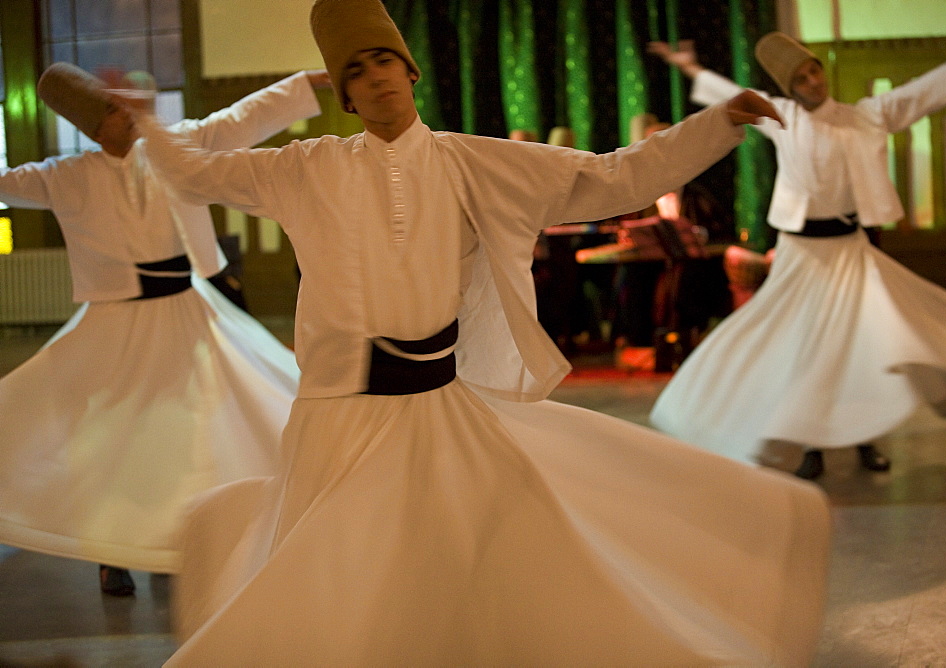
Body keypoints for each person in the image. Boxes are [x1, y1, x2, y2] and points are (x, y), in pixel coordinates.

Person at [129, 1, 830, 664]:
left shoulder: (475, 163)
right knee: (332, 567)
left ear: (412, 71)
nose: (375, 79)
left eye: (383, 62)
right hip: (335, 413)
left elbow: (614, 177)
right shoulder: (305, 169)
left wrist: (715, 125)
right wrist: (271, 100)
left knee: (476, 557)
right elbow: (187, 170)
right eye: (356, 72)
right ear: (344, 96)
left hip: (436, 407)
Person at [0, 62, 328, 595]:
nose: (123, 114)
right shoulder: (63, 175)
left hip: (185, 310)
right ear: (90, 126)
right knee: (116, 436)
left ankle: (167, 541)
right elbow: (7, 187)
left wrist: (302, 86)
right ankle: (113, 552)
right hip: (114, 322)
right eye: (109, 110)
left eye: (119, 103)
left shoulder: (170, 143)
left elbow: (237, 122)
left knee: (189, 429)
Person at [648, 34, 946, 479]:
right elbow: (733, 99)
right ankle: (808, 440)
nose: (813, 81)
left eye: (814, 71)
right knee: (803, 348)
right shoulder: (784, 117)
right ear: (791, 87)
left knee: (864, 345)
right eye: (802, 78)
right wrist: (690, 69)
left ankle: (863, 439)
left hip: (850, 249)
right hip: (801, 253)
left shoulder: (864, 117)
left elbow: (912, 98)